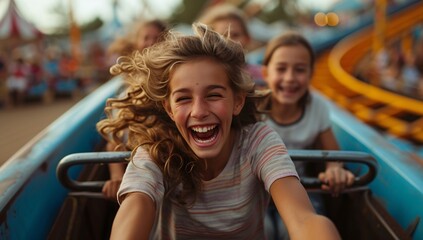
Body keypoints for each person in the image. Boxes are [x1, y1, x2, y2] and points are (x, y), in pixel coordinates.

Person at [97, 23, 341, 239]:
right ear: (169, 109)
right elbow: (135, 207)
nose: (199, 111)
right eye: (183, 99)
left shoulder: (257, 141)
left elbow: (304, 220)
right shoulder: (155, 153)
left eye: (213, 95)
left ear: (237, 101)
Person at [260, 31, 355, 239]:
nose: (290, 78)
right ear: (266, 73)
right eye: (281, 69)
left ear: (311, 73)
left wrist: (334, 170)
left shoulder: (317, 106)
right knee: (260, 230)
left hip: (301, 190)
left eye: (300, 70)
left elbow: (333, 156)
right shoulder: (254, 110)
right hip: (258, 193)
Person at [101, 19, 168, 200]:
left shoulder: (174, 82)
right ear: (136, 44)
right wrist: (117, 176)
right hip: (140, 166)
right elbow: (115, 138)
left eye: (158, 38)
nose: (152, 42)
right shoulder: (128, 90)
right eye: (146, 37)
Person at [198, 3, 266, 88]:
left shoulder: (262, 76)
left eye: (235, 35)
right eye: (222, 35)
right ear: (209, 39)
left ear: (247, 38)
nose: (229, 40)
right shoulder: (200, 75)